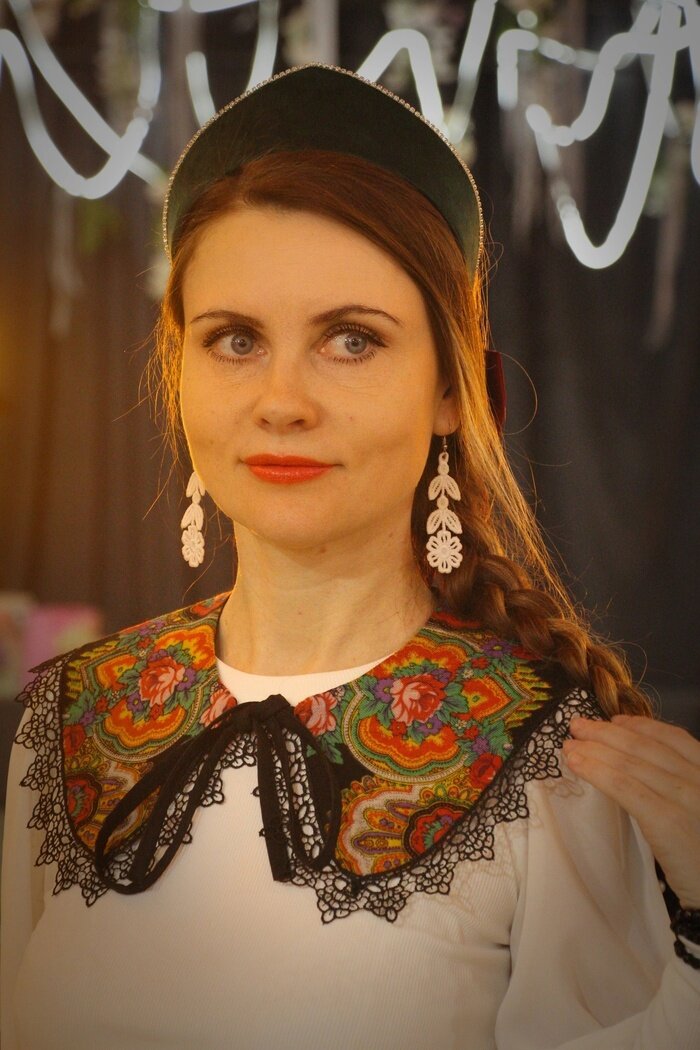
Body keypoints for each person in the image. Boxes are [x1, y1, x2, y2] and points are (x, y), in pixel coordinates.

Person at [1, 63, 699, 1050]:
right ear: (177, 371)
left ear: (450, 389)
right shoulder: (72, 718)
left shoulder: (550, 754)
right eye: (235, 339)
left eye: (352, 341)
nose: (282, 400)